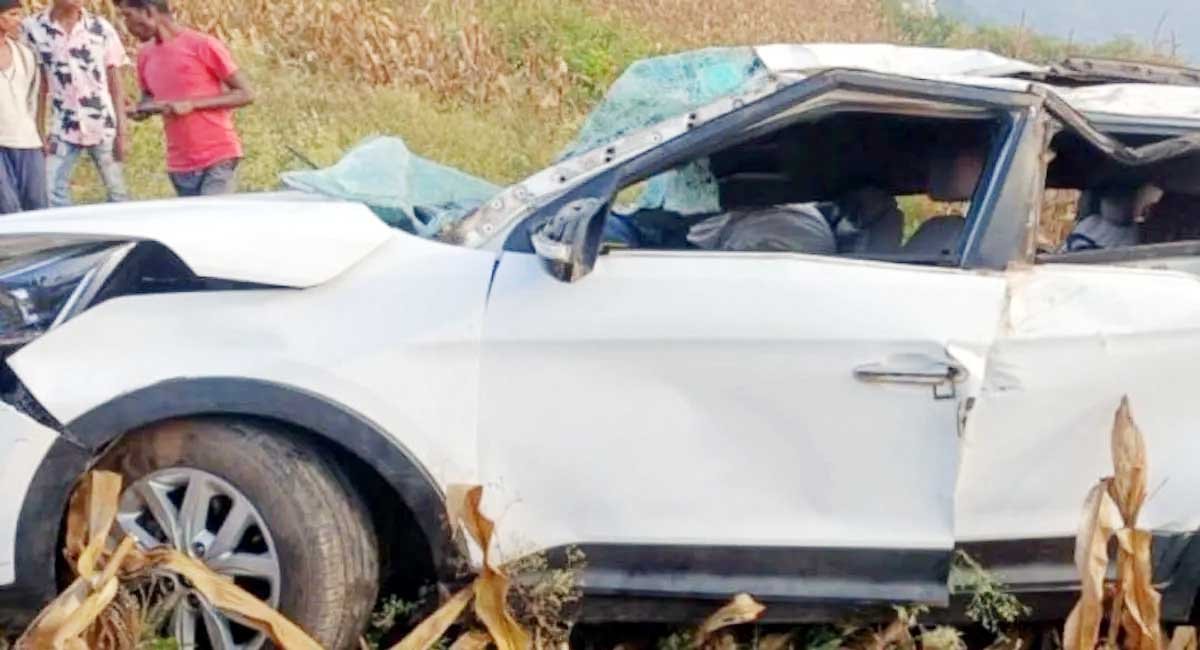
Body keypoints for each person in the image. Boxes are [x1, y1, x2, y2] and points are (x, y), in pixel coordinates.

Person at [117, 0, 254, 197]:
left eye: (128, 16)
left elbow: (246, 93)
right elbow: (149, 99)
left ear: (148, 11)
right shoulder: (145, 55)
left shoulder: (202, 45)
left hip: (218, 157)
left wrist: (192, 105)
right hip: (180, 164)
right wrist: (139, 110)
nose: (126, 25)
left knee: (213, 215)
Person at [22, 0, 129, 207]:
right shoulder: (33, 29)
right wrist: (39, 129)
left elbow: (115, 82)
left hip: (101, 122)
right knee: (51, 191)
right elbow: (38, 84)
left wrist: (122, 132)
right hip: (61, 124)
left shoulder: (100, 27)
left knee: (118, 191)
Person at [0, 0, 46, 214]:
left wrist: (39, 132)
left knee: (37, 206)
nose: (19, 20)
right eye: (13, 14)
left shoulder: (25, 55)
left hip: (26, 140)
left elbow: (32, 98)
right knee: (7, 207)